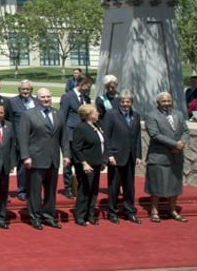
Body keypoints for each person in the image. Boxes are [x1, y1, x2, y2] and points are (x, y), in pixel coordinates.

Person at [18, 87, 69, 230]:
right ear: (37, 99)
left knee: (51, 190)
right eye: (43, 97)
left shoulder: (58, 114)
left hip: (53, 159)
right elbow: (23, 138)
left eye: (48, 97)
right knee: (35, 191)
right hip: (35, 159)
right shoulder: (28, 115)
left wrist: (66, 155)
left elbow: (63, 137)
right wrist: (25, 156)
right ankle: (35, 217)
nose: (46, 99)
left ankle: (49, 216)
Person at [145, 92, 189, 223]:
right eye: (164, 101)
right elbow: (155, 134)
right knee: (157, 184)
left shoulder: (179, 114)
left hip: (176, 156)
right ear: (158, 102)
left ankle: (172, 210)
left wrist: (181, 143)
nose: (167, 104)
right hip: (159, 156)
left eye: (169, 101)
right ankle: (154, 210)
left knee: (175, 184)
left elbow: (185, 131)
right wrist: (175, 144)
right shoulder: (152, 115)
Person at [102, 91, 142, 224]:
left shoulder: (135, 116)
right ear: (119, 102)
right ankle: (112, 212)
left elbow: (137, 138)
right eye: (123, 102)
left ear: (131, 102)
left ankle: (129, 211)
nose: (125, 104)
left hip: (130, 156)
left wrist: (138, 155)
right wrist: (109, 155)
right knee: (114, 186)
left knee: (129, 186)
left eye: (128, 102)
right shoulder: (111, 115)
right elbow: (106, 136)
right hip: (116, 157)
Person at [70, 104, 104, 226]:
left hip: (96, 163)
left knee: (93, 191)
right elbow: (76, 147)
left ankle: (90, 215)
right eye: (95, 112)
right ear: (88, 115)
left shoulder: (96, 126)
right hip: (86, 165)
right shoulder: (81, 128)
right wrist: (84, 163)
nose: (98, 114)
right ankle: (80, 216)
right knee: (84, 190)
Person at [60, 74, 93, 198]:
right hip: (70, 135)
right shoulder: (68, 97)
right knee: (68, 162)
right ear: (81, 84)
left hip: (83, 136)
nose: (88, 89)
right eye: (87, 87)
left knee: (81, 162)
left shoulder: (87, 99)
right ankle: (68, 188)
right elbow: (63, 116)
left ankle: (79, 187)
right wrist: (63, 135)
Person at [8, 80, 37, 201]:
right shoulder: (12, 102)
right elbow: (9, 121)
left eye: (27, 89)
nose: (25, 91)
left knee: (36, 165)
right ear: (19, 90)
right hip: (20, 138)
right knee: (22, 165)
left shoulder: (36, 101)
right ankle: (22, 190)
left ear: (31, 90)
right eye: (23, 89)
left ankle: (34, 190)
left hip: (36, 138)